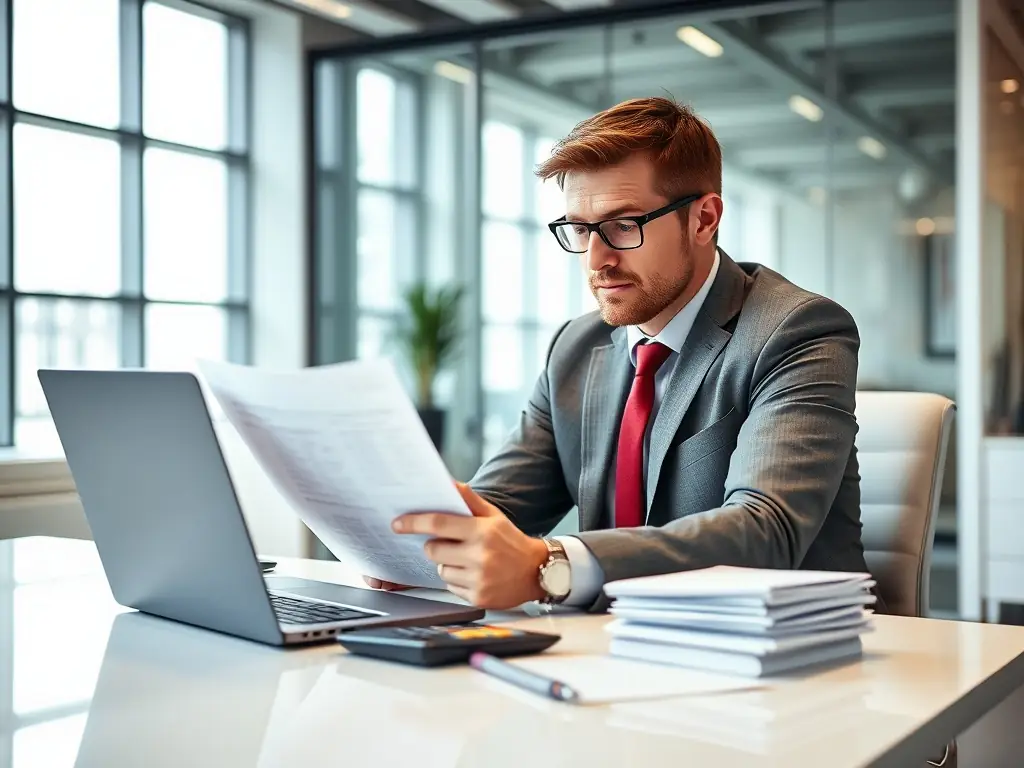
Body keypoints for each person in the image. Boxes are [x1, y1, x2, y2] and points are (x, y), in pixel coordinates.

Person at [365, 96, 877, 613]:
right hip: (615, 654)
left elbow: (767, 530)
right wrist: (414, 539)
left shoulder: (795, 331)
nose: (596, 259)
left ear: (703, 219)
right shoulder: (575, 348)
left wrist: (551, 566)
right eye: (580, 229)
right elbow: (497, 506)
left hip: (784, 657)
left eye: (622, 225)